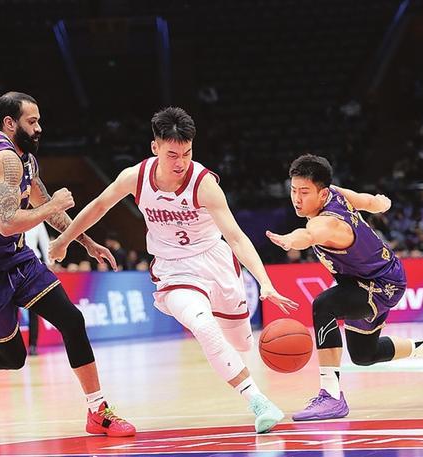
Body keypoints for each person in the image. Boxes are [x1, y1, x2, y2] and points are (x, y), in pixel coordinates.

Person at [49, 107, 297, 434]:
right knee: (204, 327)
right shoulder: (135, 177)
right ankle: (258, 402)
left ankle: (242, 362)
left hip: (215, 262)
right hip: (174, 270)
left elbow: (236, 237)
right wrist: (64, 240)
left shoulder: (204, 184)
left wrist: (265, 282)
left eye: (187, 153)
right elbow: (98, 206)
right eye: (172, 154)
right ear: (155, 147)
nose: (181, 162)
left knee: (242, 343)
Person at [0, 92, 135, 437]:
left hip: (16, 260)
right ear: (9, 123)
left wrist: (87, 243)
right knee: (12, 357)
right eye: (32, 122)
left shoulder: (26, 160)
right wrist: (52, 206)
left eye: (38, 121)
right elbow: (7, 223)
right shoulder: (2, 158)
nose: (39, 128)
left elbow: (44, 204)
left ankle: (98, 411)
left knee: (71, 320)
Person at [266, 154, 423, 421]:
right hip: (368, 279)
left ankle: (331, 396)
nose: (297, 198)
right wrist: (380, 203)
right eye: (294, 190)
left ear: (322, 194)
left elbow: (308, 235)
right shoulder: (335, 193)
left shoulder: (327, 223)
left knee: (324, 306)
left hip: (380, 284)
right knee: (364, 354)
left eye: (304, 192)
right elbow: (364, 201)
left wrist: (289, 240)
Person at [24, 222, 51, 355]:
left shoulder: (38, 221)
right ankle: (12, 347)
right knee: (11, 309)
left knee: (34, 307)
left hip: (33, 265)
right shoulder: (9, 215)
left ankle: (33, 345)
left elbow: (45, 243)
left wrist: (50, 263)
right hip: (12, 264)